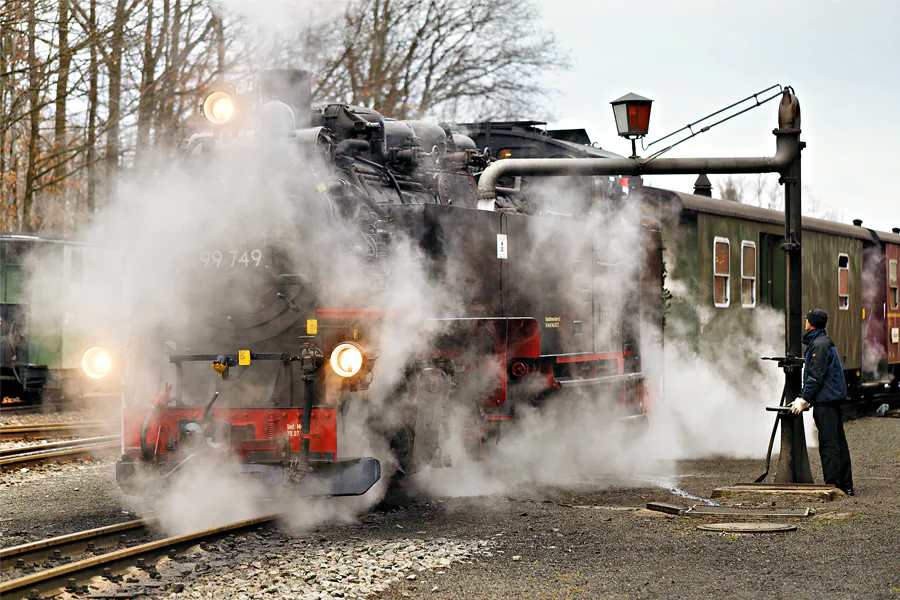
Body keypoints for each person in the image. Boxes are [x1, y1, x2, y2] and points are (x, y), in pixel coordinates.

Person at [789, 308, 854, 495]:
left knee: (829, 444)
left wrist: (803, 399)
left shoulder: (818, 345)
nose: (805, 322)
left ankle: (833, 484)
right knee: (839, 443)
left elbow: (814, 377)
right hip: (830, 399)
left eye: (807, 320)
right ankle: (845, 484)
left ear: (811, 323)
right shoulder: (823, 341)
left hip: (826, 402)